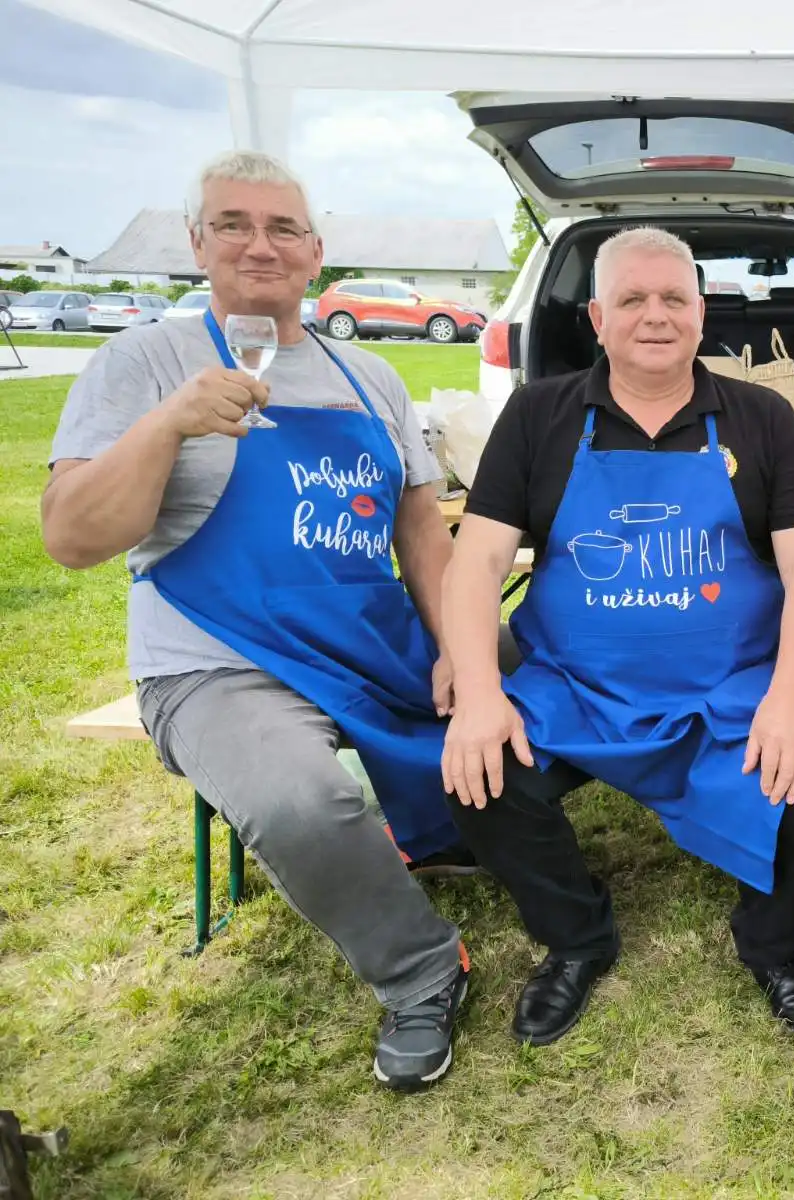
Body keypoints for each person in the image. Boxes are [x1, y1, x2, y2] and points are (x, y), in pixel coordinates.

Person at [41, 150, 473, 1092]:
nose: (259, 244)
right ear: (198, 242)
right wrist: (168, 426)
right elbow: (72, 537)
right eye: (233, 224)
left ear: (316, 253)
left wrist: (459, 655)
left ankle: (441, 841)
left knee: (539, 687)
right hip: (217, 664)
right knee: (299, 803)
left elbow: (420, 530)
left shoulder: (369, 376)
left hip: (366, 643)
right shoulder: (143, 361)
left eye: (283, 228)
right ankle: (422, 970)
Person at [439, 227, 794, 1048]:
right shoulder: (539, 414)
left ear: (701, 314)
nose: (654, 316)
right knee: (479, 777)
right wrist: (481, 697)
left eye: (673, 299)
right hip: (574, 691)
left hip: (722, 693)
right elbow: (475, 565)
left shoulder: (762, 418)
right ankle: (577, 938)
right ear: (596, 316)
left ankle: (772, 946)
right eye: (632, 299)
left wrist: (790, 703)